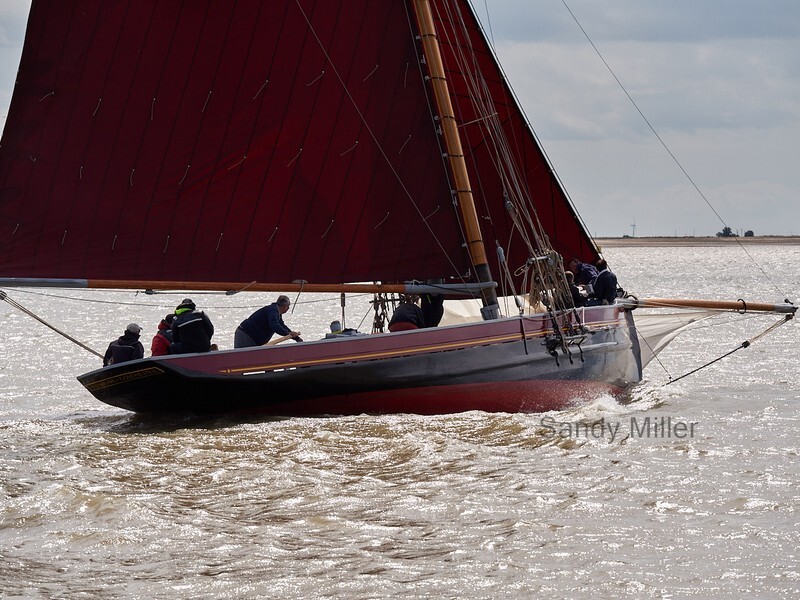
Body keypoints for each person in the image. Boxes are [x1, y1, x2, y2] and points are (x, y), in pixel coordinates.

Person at [234, 295, 301, 348]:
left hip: (253, 338)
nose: (288, 308)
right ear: (284, 306)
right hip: (246, 335)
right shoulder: (272, 310)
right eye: (288, 306)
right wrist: (287, 333)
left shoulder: (277, 313)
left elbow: (282, 325)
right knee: (241, 356)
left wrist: (295, 337)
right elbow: (274, 325)